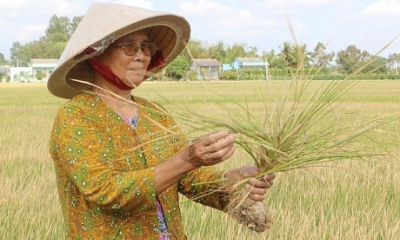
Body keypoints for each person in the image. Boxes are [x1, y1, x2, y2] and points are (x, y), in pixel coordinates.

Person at [48, 3, 275, 240]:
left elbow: (187, 179)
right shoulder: (76, 117)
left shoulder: (155, 114)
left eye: (145, 47)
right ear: (96, 53)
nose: (141, 56)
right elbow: (106, 191)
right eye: (129, 47)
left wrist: (232, 180)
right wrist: (187, 158)